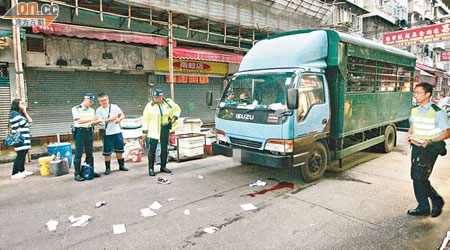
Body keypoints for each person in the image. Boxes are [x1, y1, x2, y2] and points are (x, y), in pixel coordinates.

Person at [405, 82, 450, 217]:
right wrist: (409, 134)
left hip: (430, 147)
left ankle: (434, 200)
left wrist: (430, 141)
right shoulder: (415, 110)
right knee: (416, 176)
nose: (416, 95)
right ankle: (424, 206)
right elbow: (414, 123)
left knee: (420, 176)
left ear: (428, 95)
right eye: (415, 92)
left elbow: (447, 133)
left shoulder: (437, 111)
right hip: (417, 145)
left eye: (419, 93)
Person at [142, 89, 181, 176]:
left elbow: (177, 110)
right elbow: (145, 119)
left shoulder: (168, 103)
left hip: (165, 129)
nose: (155, 99)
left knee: (164, 148)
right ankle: (151, 169)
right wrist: (145, 131)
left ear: (161, 96)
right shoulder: (149, 106)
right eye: (154, 98)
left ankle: (163, 167)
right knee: (152, 150)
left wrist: (175, 117)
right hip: (154, 131)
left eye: (157, 98)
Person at [96, 93, 128, 175]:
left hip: (117, 131)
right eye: (101, 100)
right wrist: (111, 119)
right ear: (99, 101)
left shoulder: (114, 107)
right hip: (107, 133)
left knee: (120, 150)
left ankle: (121, 165)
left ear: (108, 99)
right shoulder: (98, 110)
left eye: (105, 100)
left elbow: (122, 115)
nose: (104, 102)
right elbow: (100, 122)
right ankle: (108, 168)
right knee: (107, 152)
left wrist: (119, 119)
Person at [72, 93, 101, 181]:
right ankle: (77, 173)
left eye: (92, 101)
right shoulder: (76, 108)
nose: (91, 103)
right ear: (85, 99)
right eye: (90, 101)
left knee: (89, 152)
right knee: (78, 153)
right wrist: (92, 119)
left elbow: (92, 121)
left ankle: (90, 170)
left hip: (89, 131)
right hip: (80, 131)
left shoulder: (92, 110)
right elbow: (79, 121)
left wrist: (97, 122)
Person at [9, 99, 33, 179]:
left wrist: (25, 112)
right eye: (21, 103)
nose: (23, 105)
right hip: (19, 138)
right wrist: (26, 120)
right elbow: (23, 123)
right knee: (20, 154)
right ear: (16, 104)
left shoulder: (21, 113)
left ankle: (22, 170)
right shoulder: (14, 113)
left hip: (25, 137)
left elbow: (30, 122)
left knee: (24, 153)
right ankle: (14, 173)